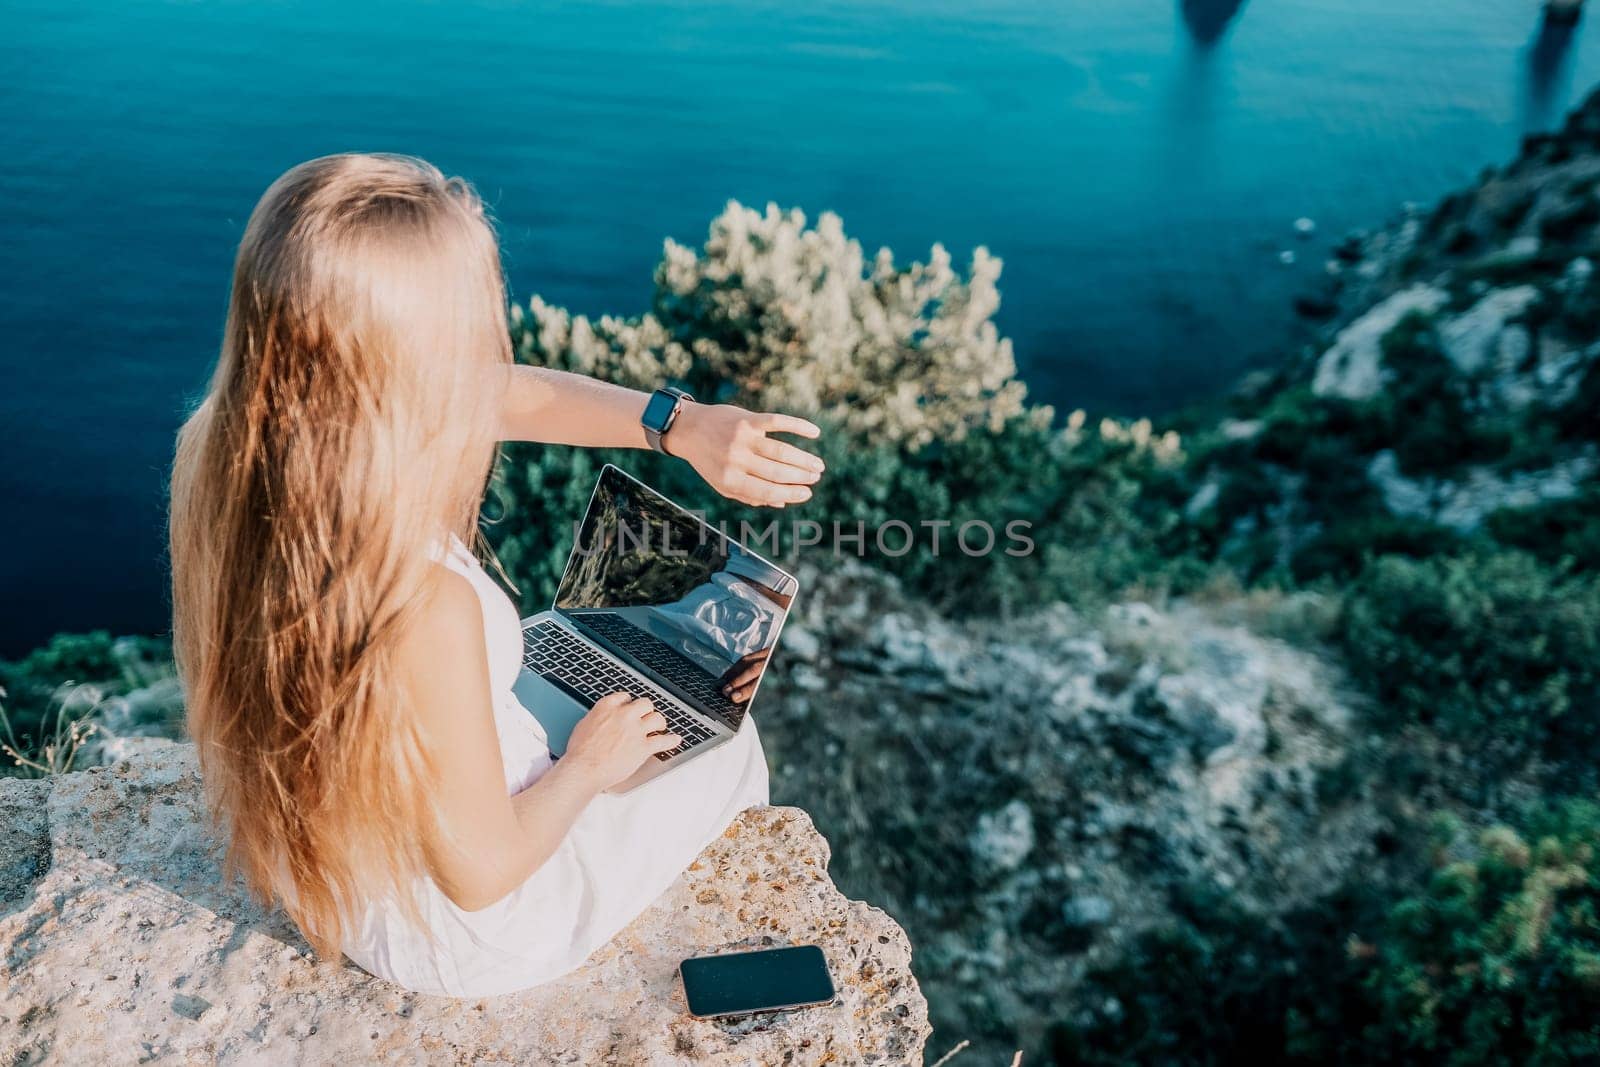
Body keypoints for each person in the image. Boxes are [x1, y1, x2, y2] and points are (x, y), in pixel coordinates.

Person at [168, 153, 826, 996]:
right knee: (724, 740)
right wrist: (588, 762)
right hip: (462, 931)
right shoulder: (421, 604)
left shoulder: (220, 450)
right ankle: (740, 961)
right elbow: (482, 874)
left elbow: (492, 392)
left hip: (331, 874)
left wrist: (678, 425)